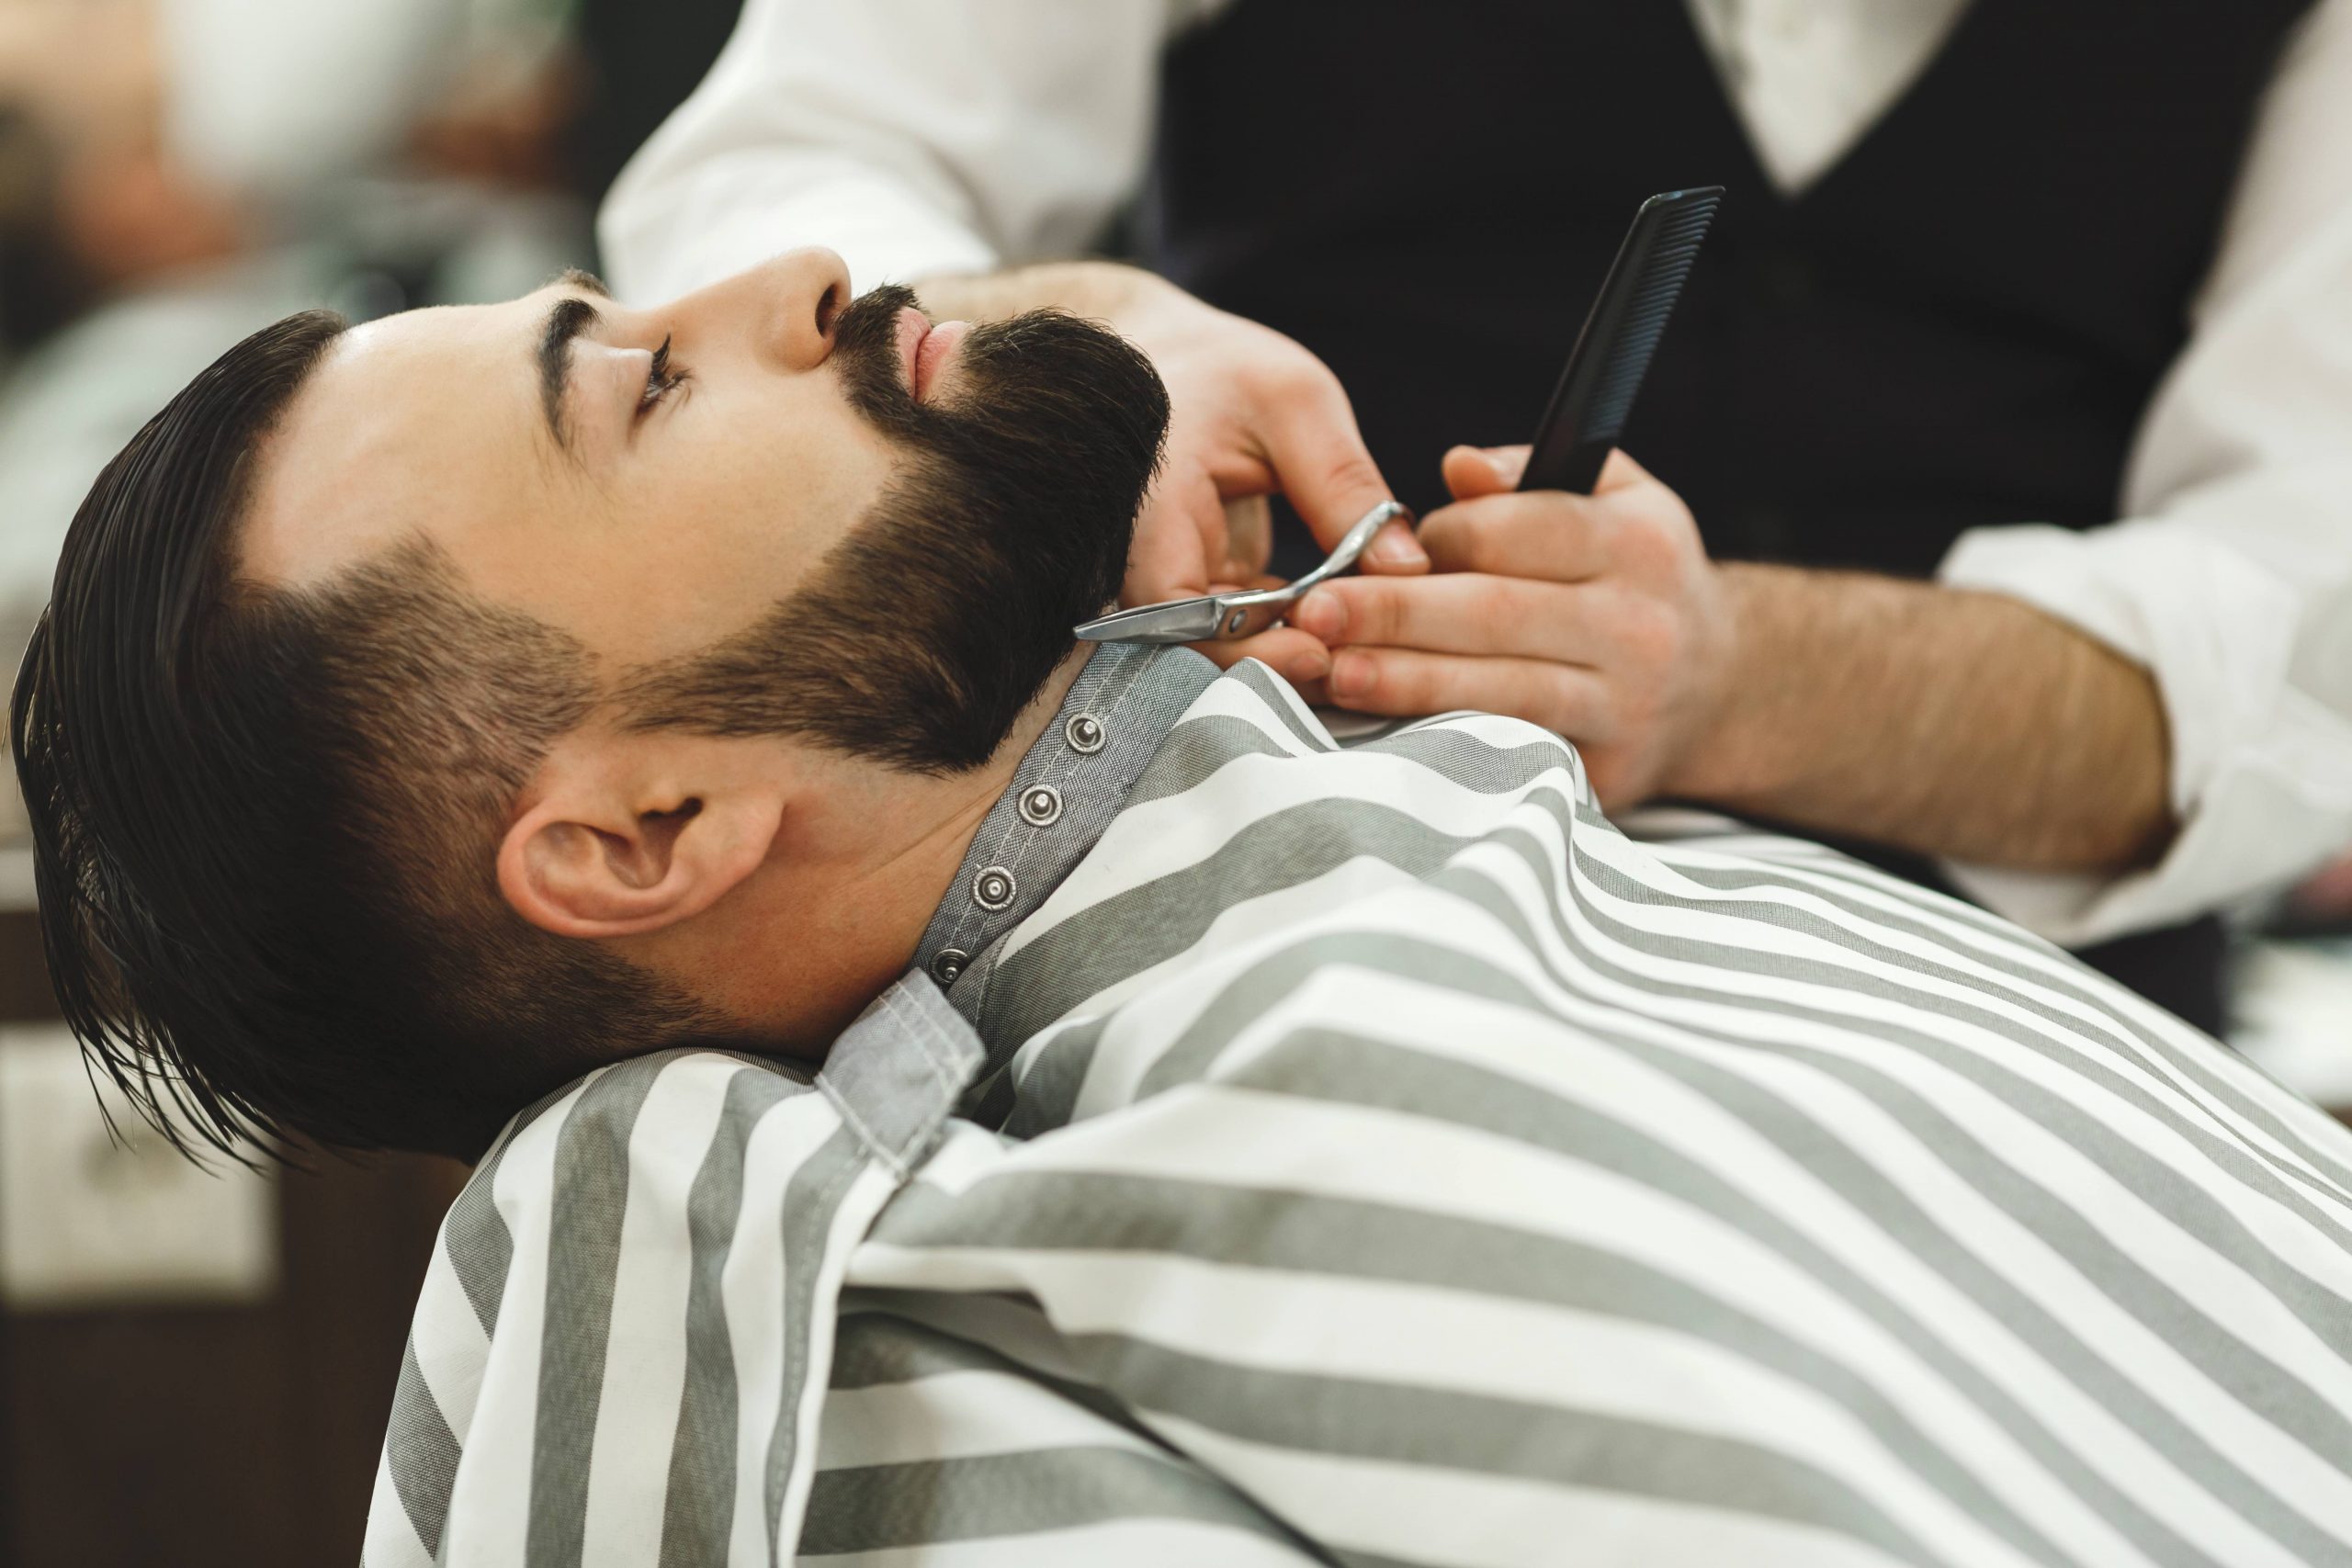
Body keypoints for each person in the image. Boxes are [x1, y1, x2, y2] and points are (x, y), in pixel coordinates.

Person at [16, 253, 2352, 1566]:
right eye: (638, 385)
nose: (799, 268)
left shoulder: (1439, 842)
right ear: (643, 833)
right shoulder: (905, 1387)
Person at [599, 0, 2352, 1035]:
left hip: (2000, 1107)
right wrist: (1074, 347)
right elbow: (759, 194)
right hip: (1219, 994)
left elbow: (2305, 667)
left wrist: (1732, 678)